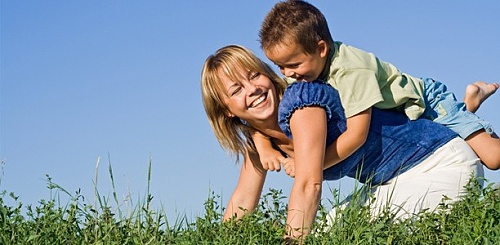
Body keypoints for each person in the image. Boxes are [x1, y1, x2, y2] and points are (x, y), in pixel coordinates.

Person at [200, 45, 483, 242]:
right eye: (236, 90)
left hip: (442, 164)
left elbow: (309, 184)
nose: (253, 90)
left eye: (254, 75)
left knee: (342, 236)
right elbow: (241, 203)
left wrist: (292, 241)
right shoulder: (259, 141)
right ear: (225, 109)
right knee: (326, 231)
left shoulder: (303, 102)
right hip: (394, 180)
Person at [254, 0, 499, 172]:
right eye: (279, 67)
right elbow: (270, 115)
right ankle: (471, 102)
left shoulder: (352, 70)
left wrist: (309, 165)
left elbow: (357, 135)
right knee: (453, 139)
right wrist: (263, 146)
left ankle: (466, 106)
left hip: (427, 103)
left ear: (321, 49)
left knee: (492, 158)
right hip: (401, 117)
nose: (287, 74)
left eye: (293, 64)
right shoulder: (301, 73)